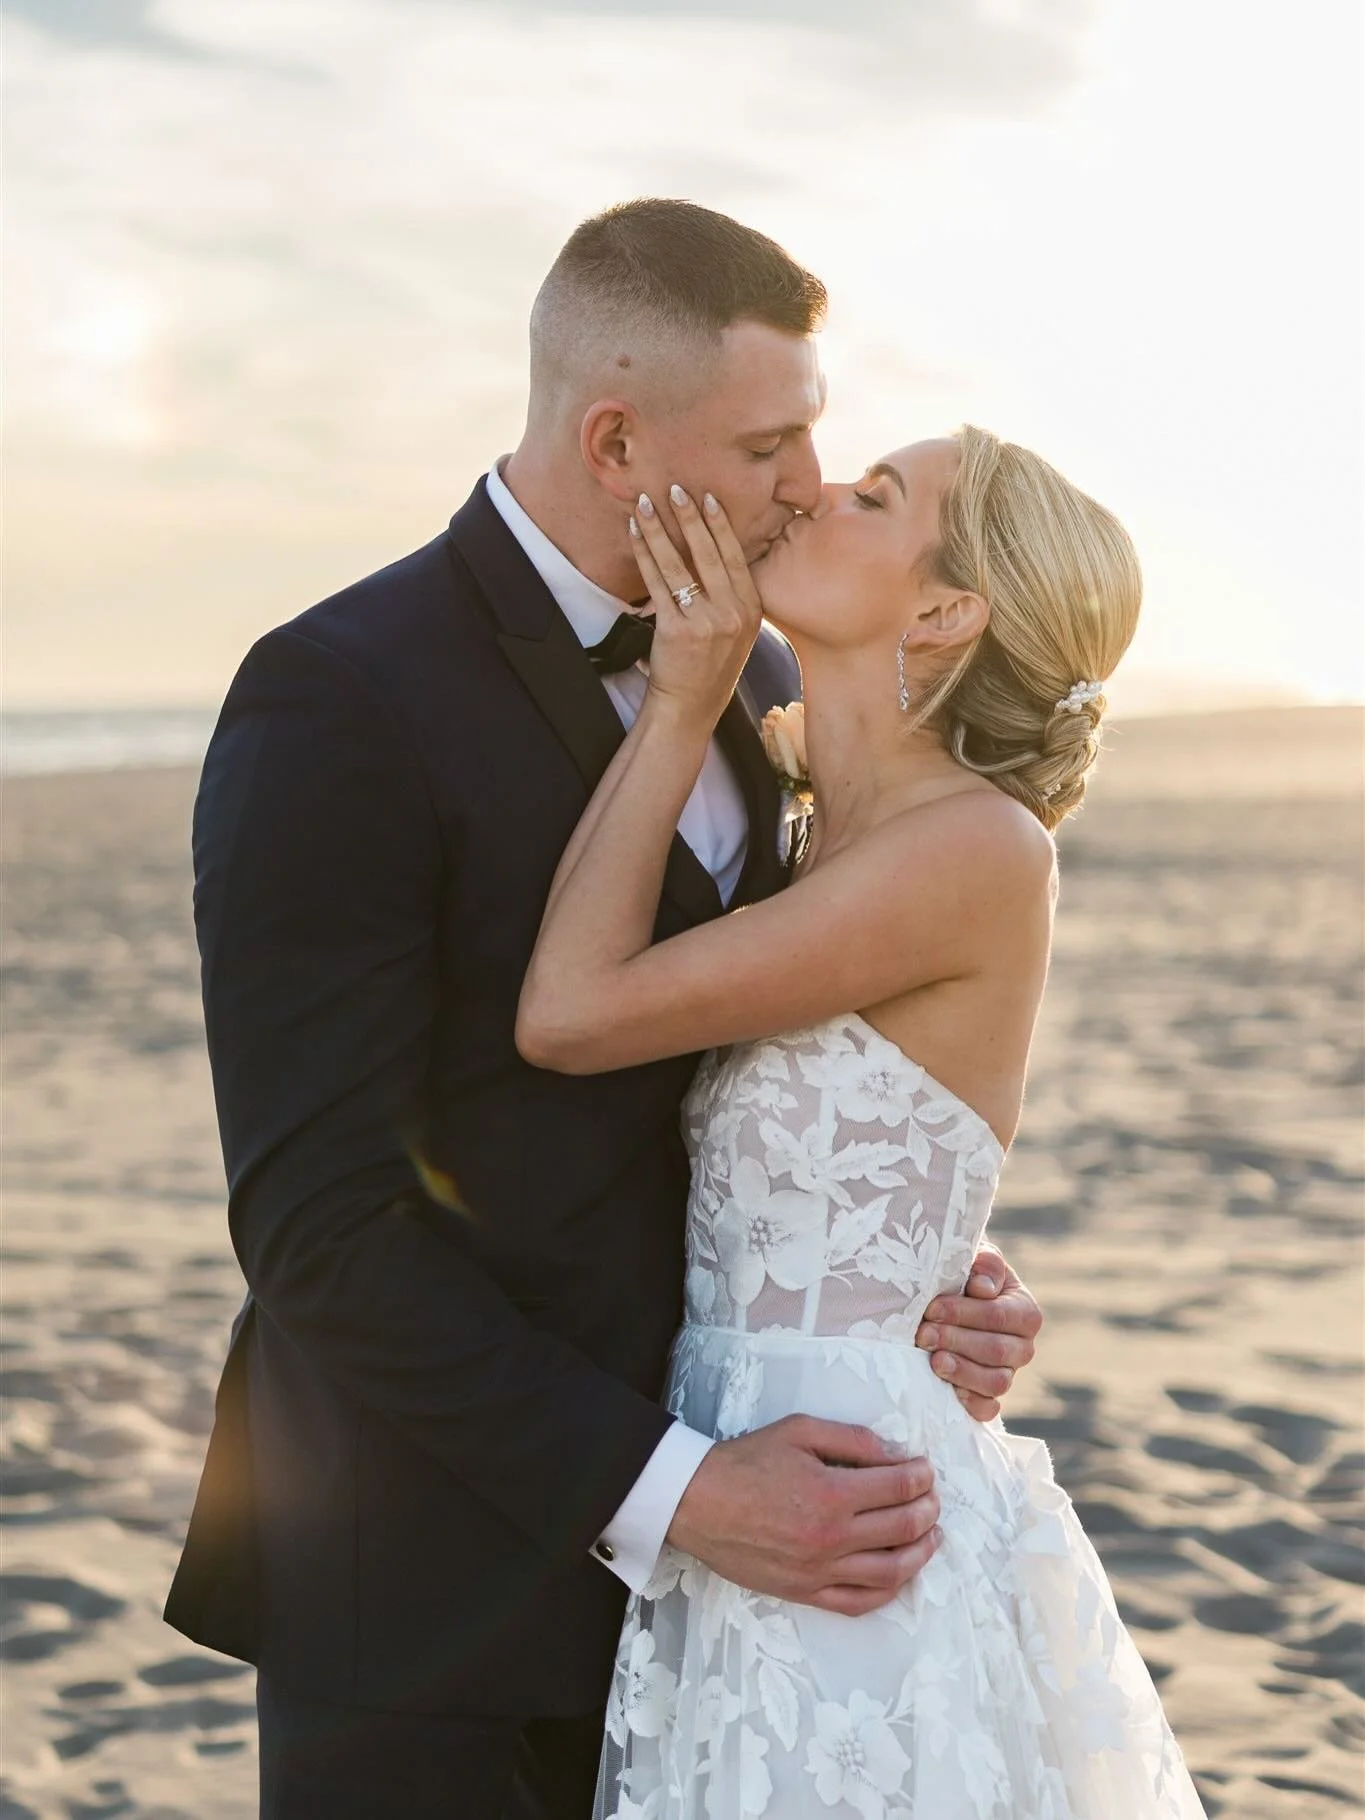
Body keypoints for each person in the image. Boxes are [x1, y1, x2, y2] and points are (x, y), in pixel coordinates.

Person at [164, 200, 1044, 1819]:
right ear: (618, 440)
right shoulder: (338, 696)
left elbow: (776, 1060)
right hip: (425, 1597)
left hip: (728, 1609)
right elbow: (317, 1231)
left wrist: (911, 1267)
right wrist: (679, 1494)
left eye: (819, 442)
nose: (806, 484)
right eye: (771, 445)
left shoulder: (763, 682)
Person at [517, 431, 1208, 1816]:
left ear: (944, 612)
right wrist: (955, 1267)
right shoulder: (807, 834)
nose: (818, 488)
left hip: (853, 1511)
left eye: (876, 498)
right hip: (746, 1485)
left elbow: (571, 1013)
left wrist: (679, 695)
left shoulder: (975, 848)